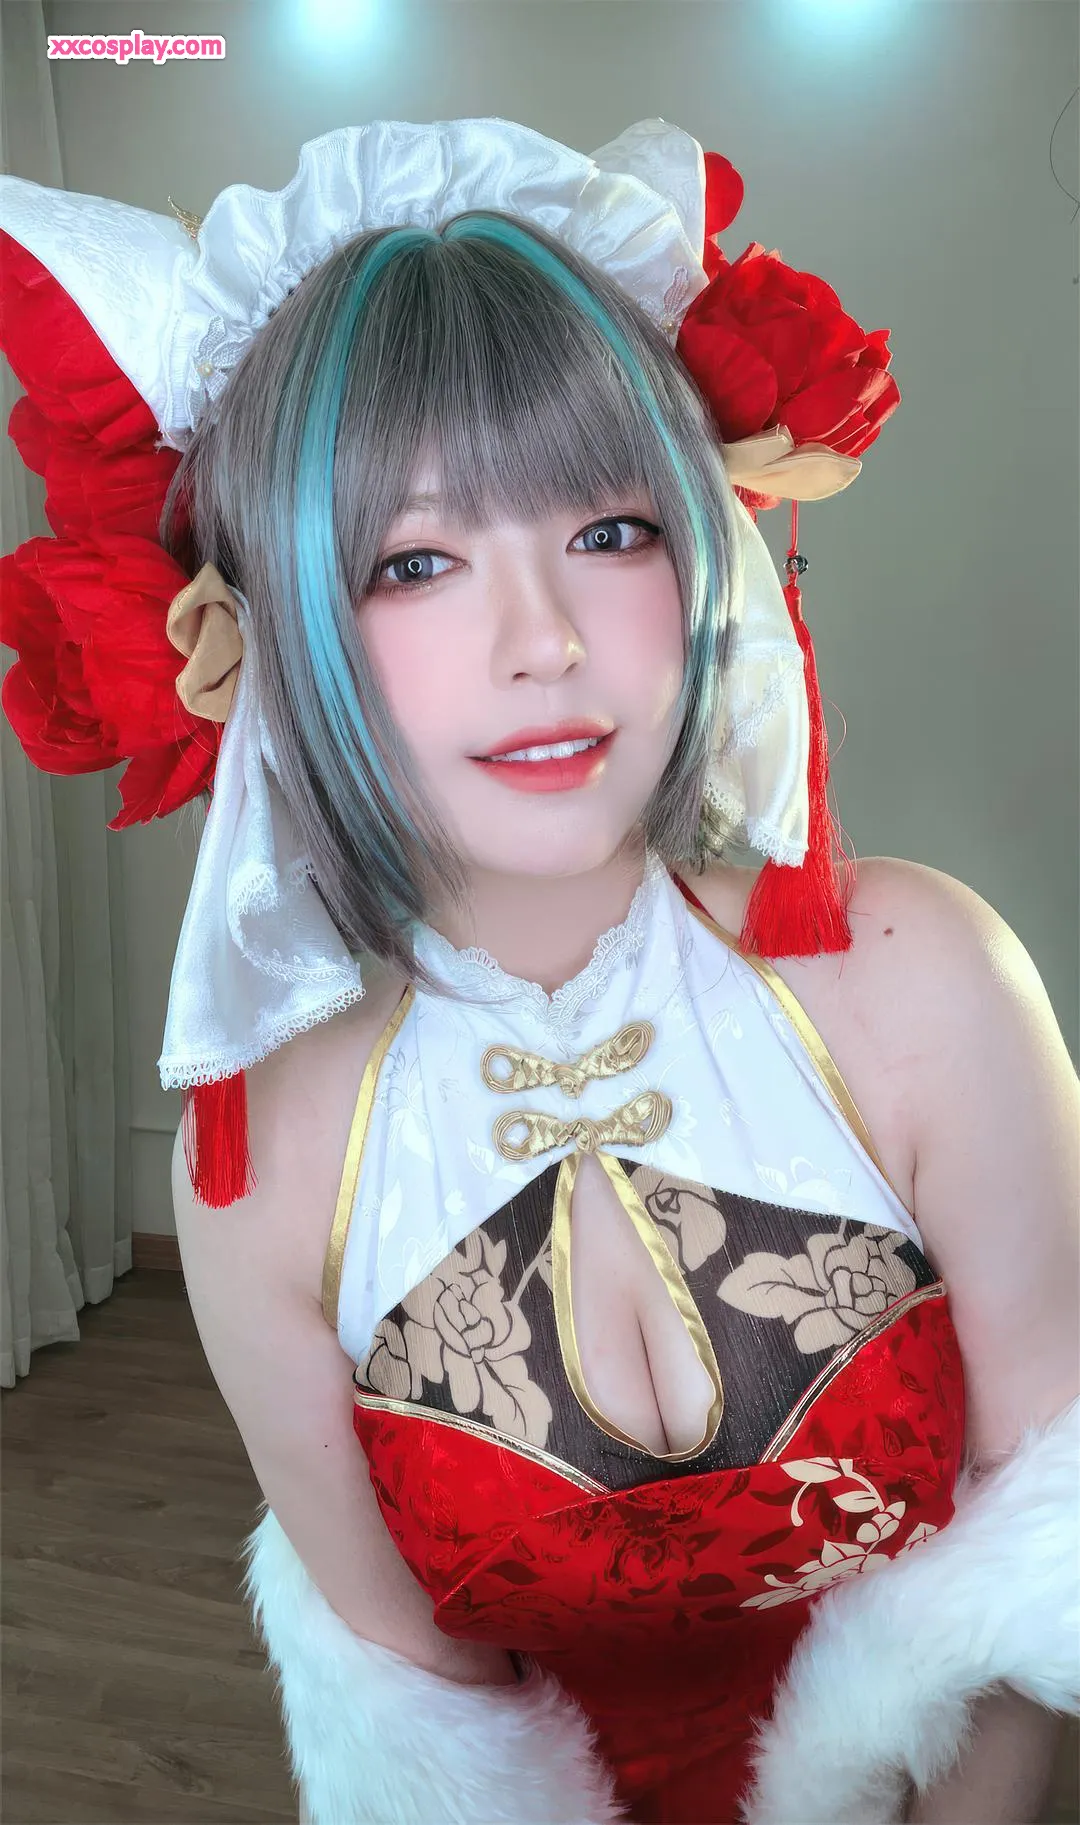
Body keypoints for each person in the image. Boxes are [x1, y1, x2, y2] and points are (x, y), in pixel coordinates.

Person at [0, 117, 1076, 1825]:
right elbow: (410, 1700)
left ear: (707, 545)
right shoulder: (261, 1150)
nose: (545, 642)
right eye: (415, 562)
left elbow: (1042, 1552)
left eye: (611, 530)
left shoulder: (926, 978)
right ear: (275, 625)